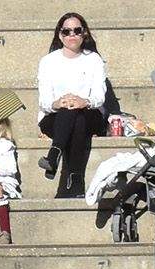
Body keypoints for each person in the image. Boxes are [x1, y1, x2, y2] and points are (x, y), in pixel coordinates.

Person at [36, 12, 107, 198]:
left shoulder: (94, 59)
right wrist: (58, 103)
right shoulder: (48, 61)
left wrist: (84, 101)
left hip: (91, 114)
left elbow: (99, 96)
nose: (72, 35)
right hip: (55, 117)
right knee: (71, 113)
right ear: (60, 35)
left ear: (84, 33)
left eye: (77, 30)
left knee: (78, 113)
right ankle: (76, 182)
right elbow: (43, 101)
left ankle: (54, 155)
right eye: (67, 31)